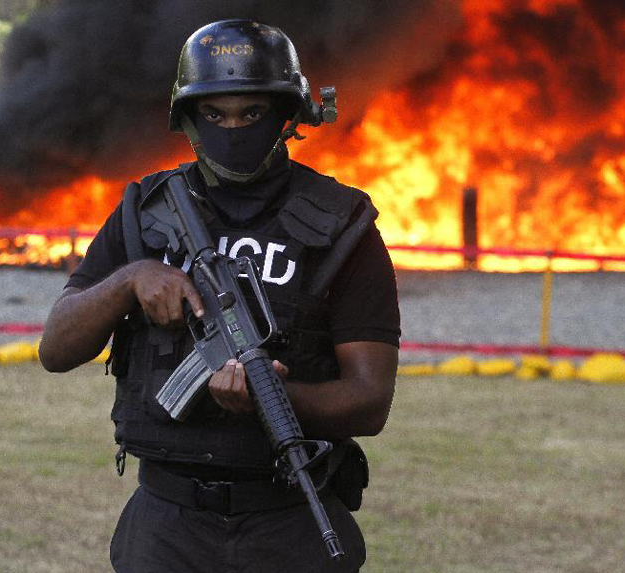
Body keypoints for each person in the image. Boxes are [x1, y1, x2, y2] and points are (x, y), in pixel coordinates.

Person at [38, 19, 399, 573]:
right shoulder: (146, 212)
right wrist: (130, 278)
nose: (233, 129)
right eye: (215, 114)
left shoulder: (341, 227)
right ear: (188, 119)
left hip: (288, 516)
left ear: (287, 115)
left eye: (251, 113)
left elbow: (370, 402)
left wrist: (274, 398)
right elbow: (56, 349)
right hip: (166, 522)